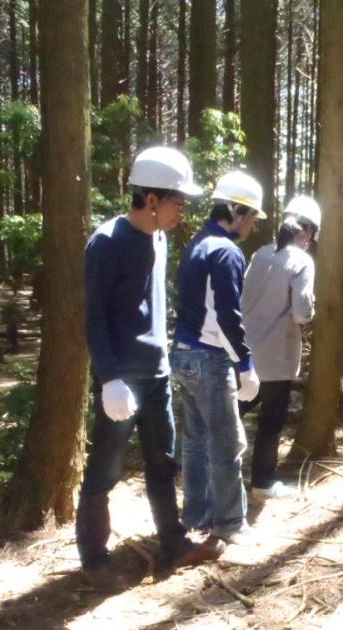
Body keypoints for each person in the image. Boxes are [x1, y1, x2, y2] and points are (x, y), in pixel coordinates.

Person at [77, 146, 222, 588]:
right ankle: (94, 560)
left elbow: (154, 306)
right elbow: (94, 316)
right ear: (152, 199)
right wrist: (110, 378)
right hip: (122, 378)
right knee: (105, 468)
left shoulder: (159, 239)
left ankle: (174, 544)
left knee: (164, 462)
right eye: (179, 201)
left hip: (157, 373)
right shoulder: (106, 242)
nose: (184, 211)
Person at [172, 170, 266, 545]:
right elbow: (228, 315)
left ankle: (197, 514)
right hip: (209, 358)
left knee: (195, 440)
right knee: (228, 443)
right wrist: (245, 364)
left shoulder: (197, 243)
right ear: (235, 210)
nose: (254, 225)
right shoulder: (226, 252)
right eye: (252, 217)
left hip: (183, 353)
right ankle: (230, 523)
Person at [240, 195, 319, 499]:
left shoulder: (259, 254)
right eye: (311, 233)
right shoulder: (302, 262)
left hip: (247, 350)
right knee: (271, 421)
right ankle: (262, 482)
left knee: (236, 408)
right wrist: (311, 314)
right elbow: (302, 311)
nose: (311, 240)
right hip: (277, 355)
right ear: (304, 231)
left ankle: (217, 470)